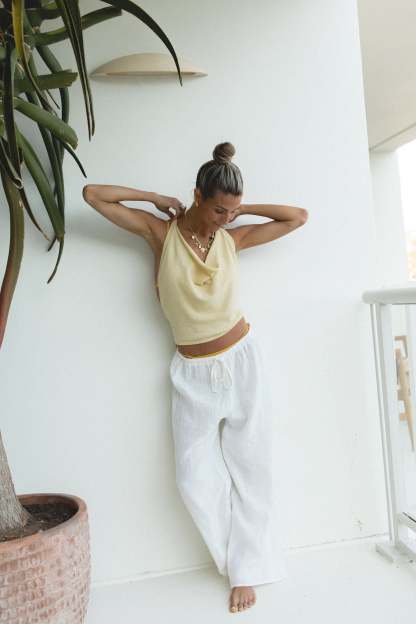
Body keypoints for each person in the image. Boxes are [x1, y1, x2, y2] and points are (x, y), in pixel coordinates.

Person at [82, 141, 308, 613]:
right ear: (196, 196)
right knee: (192, 477)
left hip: (242, 360)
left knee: (253, 467)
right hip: (192, 371)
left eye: (232, 211)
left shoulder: (233, 238)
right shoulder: (160, 234)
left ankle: (246, 571)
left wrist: (242, 210)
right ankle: (235, 560)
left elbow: (297, 217)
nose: (225, 219)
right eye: (218, 209)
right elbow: (93, 195)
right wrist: (153, 198)